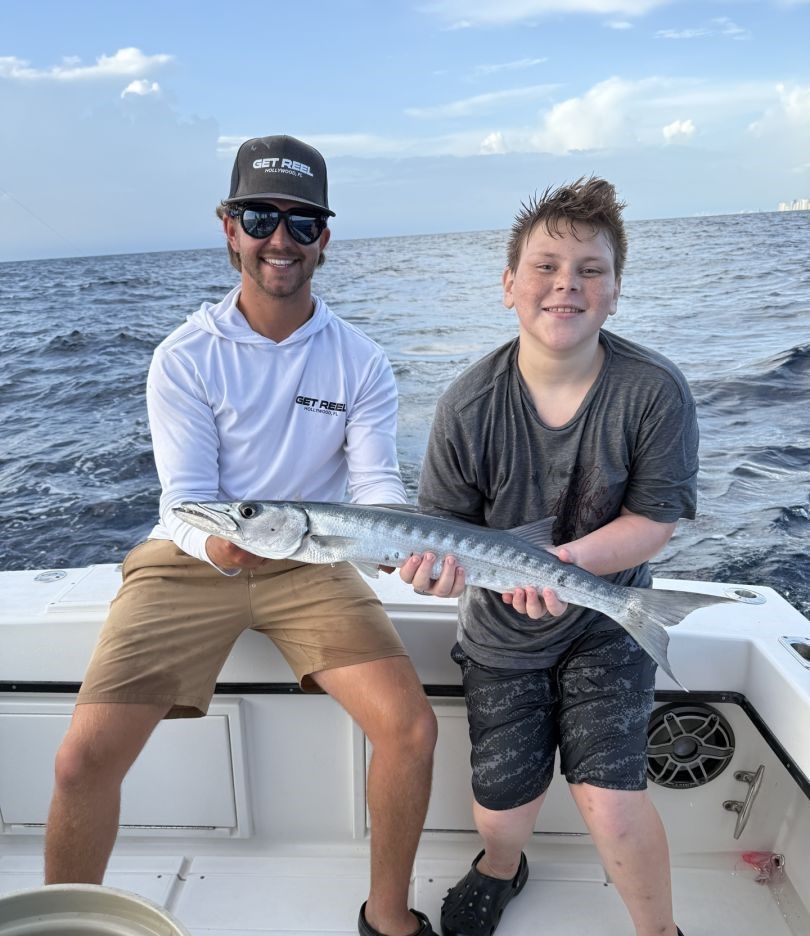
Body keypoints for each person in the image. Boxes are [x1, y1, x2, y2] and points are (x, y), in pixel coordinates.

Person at [45, 134, 442, 936]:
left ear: (324, 238)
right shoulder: (185, 357)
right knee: (80, 760)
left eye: (302, 223)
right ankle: (65, 925)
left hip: (312, 559)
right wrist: (221, 546)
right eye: (261, 218)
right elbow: (187, 504)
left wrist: (408, 549)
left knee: (411, 729)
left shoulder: (360, 361)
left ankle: (387, 917)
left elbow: (375, 490)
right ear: (229, 227)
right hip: (195, 557)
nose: (280, 240)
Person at [399, 178, 691, 936]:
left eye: (591, 270)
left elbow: (655, 519)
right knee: (500, 809)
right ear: (508, 286)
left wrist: (565, 563)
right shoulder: (467, 405)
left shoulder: (654, 390)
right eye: (546, 267)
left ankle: (660, 931)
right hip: (502, 632)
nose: (567, 284)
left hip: (607, 622)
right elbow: (442, 536)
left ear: (616, 291)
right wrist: (437, 578)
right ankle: (502, 865)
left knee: (613, 803)